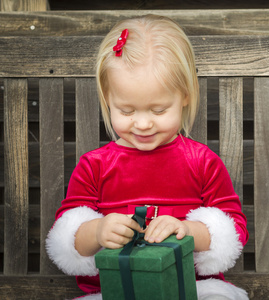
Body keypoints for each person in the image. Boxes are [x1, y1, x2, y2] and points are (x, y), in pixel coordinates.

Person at [46, 14, 248, 300]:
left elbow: (235, 231)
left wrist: (188, 229)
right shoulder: (95, 166)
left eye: (158, 110)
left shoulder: (201, 161)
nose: (142, 124)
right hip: (113, 290)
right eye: (127, 111)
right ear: (107, 98)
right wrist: (98, 230)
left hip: (192, 289)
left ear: (185, 96)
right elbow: (68, 239)